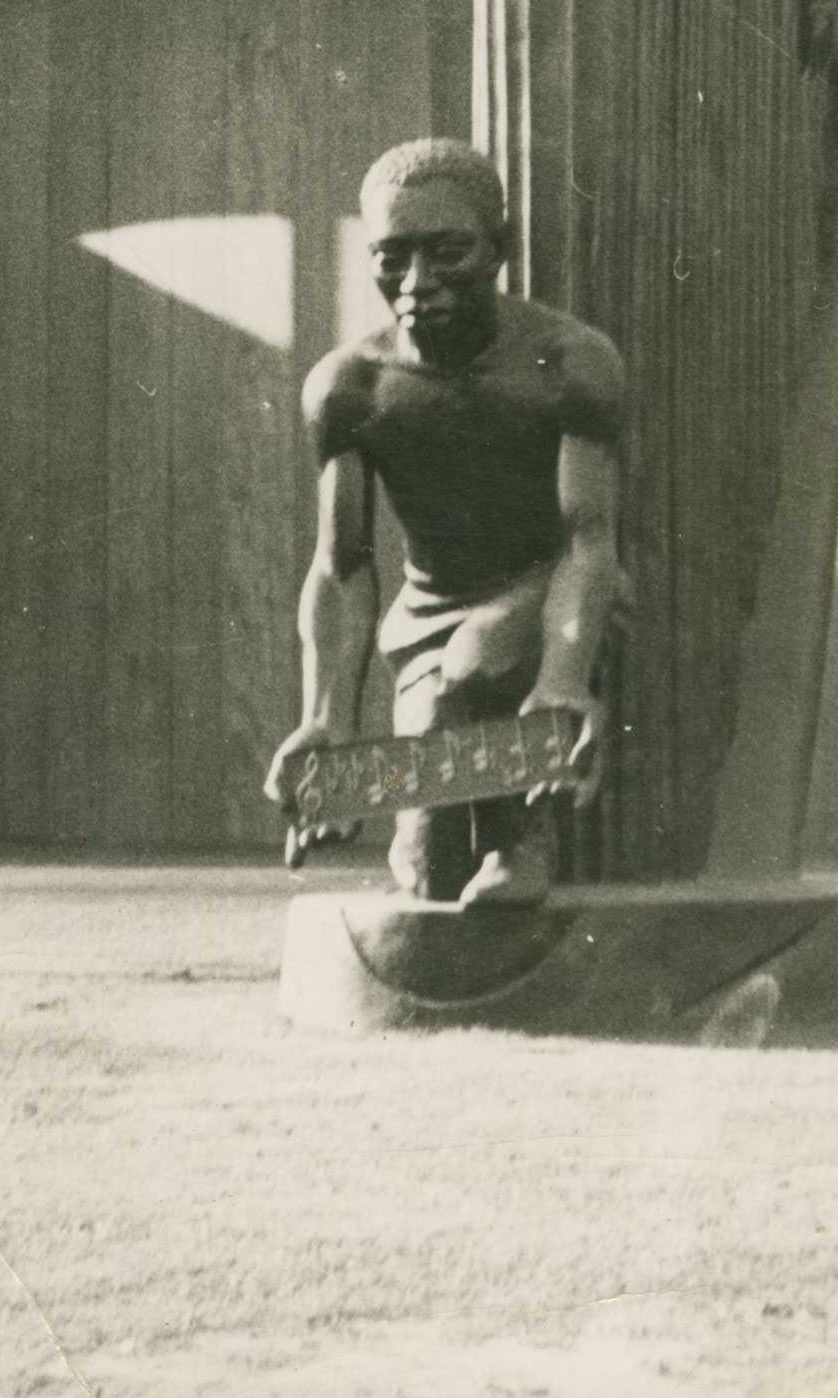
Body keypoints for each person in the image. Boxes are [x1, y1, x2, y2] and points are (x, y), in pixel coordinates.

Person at [265, 140, 630, 907]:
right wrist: (324, 720)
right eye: (391, 258)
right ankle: (431, 830)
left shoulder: (570, 362)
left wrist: (563, 675)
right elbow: (341, 566)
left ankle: (519, 843)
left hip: (555, 592)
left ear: (497, 249)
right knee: (431, 876)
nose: (417, 284)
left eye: (447, 253)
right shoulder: (350, 387)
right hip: (429, 615)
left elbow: (586, 541)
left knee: (474, 665)